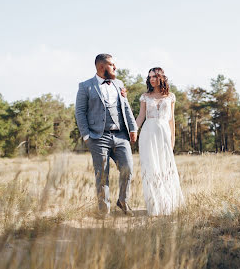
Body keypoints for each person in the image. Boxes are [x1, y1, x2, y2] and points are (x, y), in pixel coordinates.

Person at [75, 54, 138, 218]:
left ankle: (123, 201)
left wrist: (133, 128)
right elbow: (80, 112)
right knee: (102, 174)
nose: (115, 68)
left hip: (121, 135)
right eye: (112, 65)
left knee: (128, 169)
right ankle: (104, 210)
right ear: (101, 67)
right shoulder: (85, 86)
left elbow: (126, 107)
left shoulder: (119, 84)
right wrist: (86, 136)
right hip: (98, 137)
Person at [135, 67, 184, 216]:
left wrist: (173, 138)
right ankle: (155, 206)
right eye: (150, 77)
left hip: (164, 133)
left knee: (166, 168)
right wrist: (133, 131)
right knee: (151, 168)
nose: (152, 79)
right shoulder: (145, 96)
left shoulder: (170, 97)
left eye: (155, 76)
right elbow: (141, 117)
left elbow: (171, 120)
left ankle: (169, 205)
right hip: (148, 134)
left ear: (161, 77)